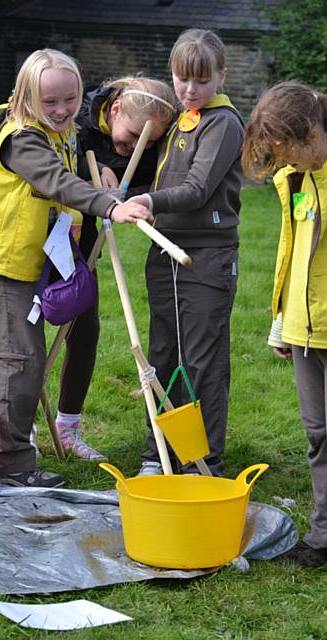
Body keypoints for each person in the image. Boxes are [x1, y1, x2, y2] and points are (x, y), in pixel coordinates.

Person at [0, 49, 152, 487]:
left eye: (69, 99)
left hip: (41, 260)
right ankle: (9, 465)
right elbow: (56, 181)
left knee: (21, 360)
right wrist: (110, 205)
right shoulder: (22, 138)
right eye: (49, 102)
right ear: (27, 96)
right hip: (6, 265)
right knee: (19, 359)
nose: (62, 110)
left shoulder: (67, 129)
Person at [128, 29, 244, 477]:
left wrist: (149, 202)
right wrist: (122, 197)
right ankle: (159, 451)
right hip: (164, 253)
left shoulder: (224, 123)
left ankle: (201, 458)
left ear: (221, 77)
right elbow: (160, 185)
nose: (189, 89)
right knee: (161, 357)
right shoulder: (179, 118)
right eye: (181, 79)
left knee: (201, 360)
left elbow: (195, 189)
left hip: (206, 259)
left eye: (200, 80)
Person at [52, 76, 176, 461]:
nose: (136, 146)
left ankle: (67, 427)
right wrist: (100, 167)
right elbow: (56, 162)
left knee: (85, 329)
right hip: (44, 233)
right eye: (135, 135)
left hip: (84, 245)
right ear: (115, 109)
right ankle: (13, 425)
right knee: (23, 335)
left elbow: (144, 177)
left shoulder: (146, 141)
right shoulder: (77, 115)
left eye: (150, 141)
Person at [242, 80, 327, 568]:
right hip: (303, 326)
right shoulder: (295, 179)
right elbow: (290, 249)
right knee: (318, 434)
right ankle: (323, 537)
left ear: (312, 133)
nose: (285, 162)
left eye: (288, 150)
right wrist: (281, 316)